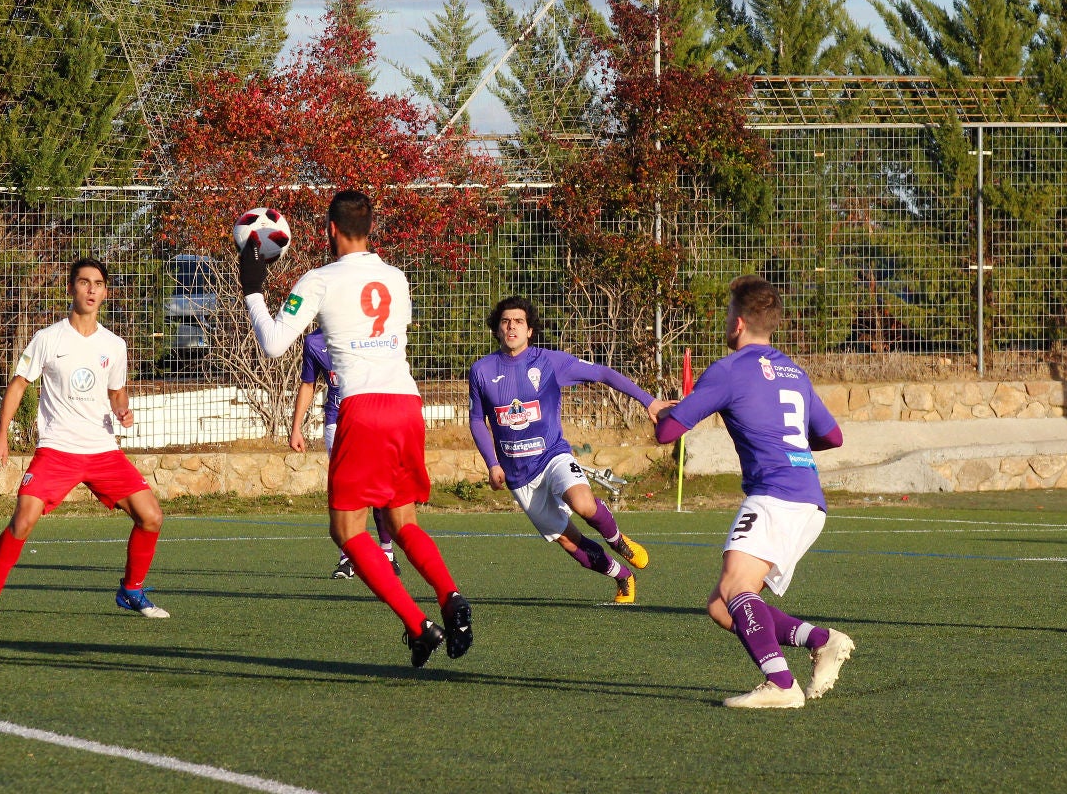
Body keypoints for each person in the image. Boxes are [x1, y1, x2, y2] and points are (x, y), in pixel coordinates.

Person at [242, 190, 471, 667]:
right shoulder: (397, 278)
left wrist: (253, 289)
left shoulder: (320, 279)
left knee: (347, 530)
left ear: (331, 230)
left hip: (363, 408)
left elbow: (274, 344)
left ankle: (419, 625)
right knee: (403, 521)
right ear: (370, 228)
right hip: (407, 403)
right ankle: (450, 596)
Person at [654, 275, 853, 709]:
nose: (726, 321)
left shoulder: (728, 370)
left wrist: (662, 412)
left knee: (735, 587)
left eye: (728, 314)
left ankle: (781, 684)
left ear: (739, 323)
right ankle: (821, 640)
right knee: (722, 606)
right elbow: (832, 436)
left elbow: (668, 432)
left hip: (776, 495)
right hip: (808, 497)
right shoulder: (793, 372)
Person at [0, 257, 168, 621]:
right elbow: (18, 385)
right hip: (57, 450)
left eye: (98, 284)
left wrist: (123, 410)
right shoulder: (48, 338)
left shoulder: (114, 345)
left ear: (105, 293)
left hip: (103, 451)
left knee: (152, 516)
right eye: (84, 282)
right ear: (71, 288)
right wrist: (1, 436)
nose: (91, 289)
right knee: (23, 520)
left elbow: (117, 392)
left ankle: (131, 590)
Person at [468, 296, 665, 603]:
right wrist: (492, 464)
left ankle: (618, 540)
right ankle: (623, 576)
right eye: (505, 321)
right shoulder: (482, 370)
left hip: (552, 456)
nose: (512, 327)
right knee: (569, 541)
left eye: (519, 321)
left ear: (530, 330)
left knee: (583, 503)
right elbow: (476, 420)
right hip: (518, 475)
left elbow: (603, 373)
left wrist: (649, 401)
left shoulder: (549, 362)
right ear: (497, 329)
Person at [289, 329, 399, 578]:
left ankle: (386, 553)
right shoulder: (314, 342)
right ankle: (347, 559)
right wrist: (296, 428)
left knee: (378, 487)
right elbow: (308, 384)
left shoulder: (369, 331)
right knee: (346, 489)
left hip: (372, 421)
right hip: (337, 423)